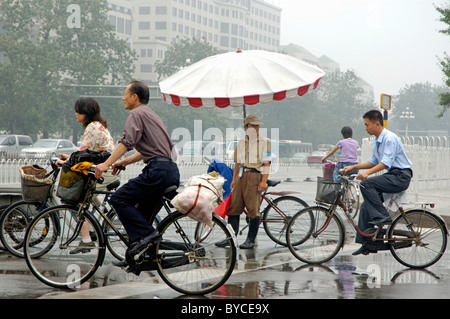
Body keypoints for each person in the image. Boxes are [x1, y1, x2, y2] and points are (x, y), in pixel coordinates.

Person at [94, 81, 180, 267]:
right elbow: (149, 149)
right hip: (169, 171)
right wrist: (123, 161)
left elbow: (127, 142)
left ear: (135, 97)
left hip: (157, 172)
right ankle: (144, 257)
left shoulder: (136, 113)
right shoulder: (151, 115)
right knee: (142, 215)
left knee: (118, 199)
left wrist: (105, 164)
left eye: (126, 94)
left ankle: (150, 236)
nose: (123, 98)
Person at [343, 110, 413, 256]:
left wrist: (367, 174)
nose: (365, 128)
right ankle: (368, 244)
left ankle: (383, 217)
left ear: (376, 123)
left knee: (366, 184)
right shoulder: (377, 140)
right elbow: (373, 161)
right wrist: (354, 167)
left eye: (367, 125)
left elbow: (385, 163)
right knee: (365, 207)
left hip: (400, 176)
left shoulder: (389, 138)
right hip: (393, 175)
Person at [57, 97, 119, 254]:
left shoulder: (92, 127)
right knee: (86, 195)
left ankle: (86, 240)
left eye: (78, 111)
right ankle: (101, 210)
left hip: (103, 171)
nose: (76, 114)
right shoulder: (97, 125)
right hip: (106, 169)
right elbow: (86, 152)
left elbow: (83, 152)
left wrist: (66, 161)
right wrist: (69, 158)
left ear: (86, 112)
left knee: (76, 200)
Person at [217, 114, 271, 249]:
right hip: (241, 176)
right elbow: (237, 163)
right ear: (245, 127)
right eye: (253, 125)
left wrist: (263, 182)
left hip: (254, 176)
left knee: (253, 210)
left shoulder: (265, 142)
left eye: (257, 126)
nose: (256, 128)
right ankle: (231, 237)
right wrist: (234, 180)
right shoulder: (241, 143)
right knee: (233, 208)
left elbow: (267, 163)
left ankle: (250, 240)